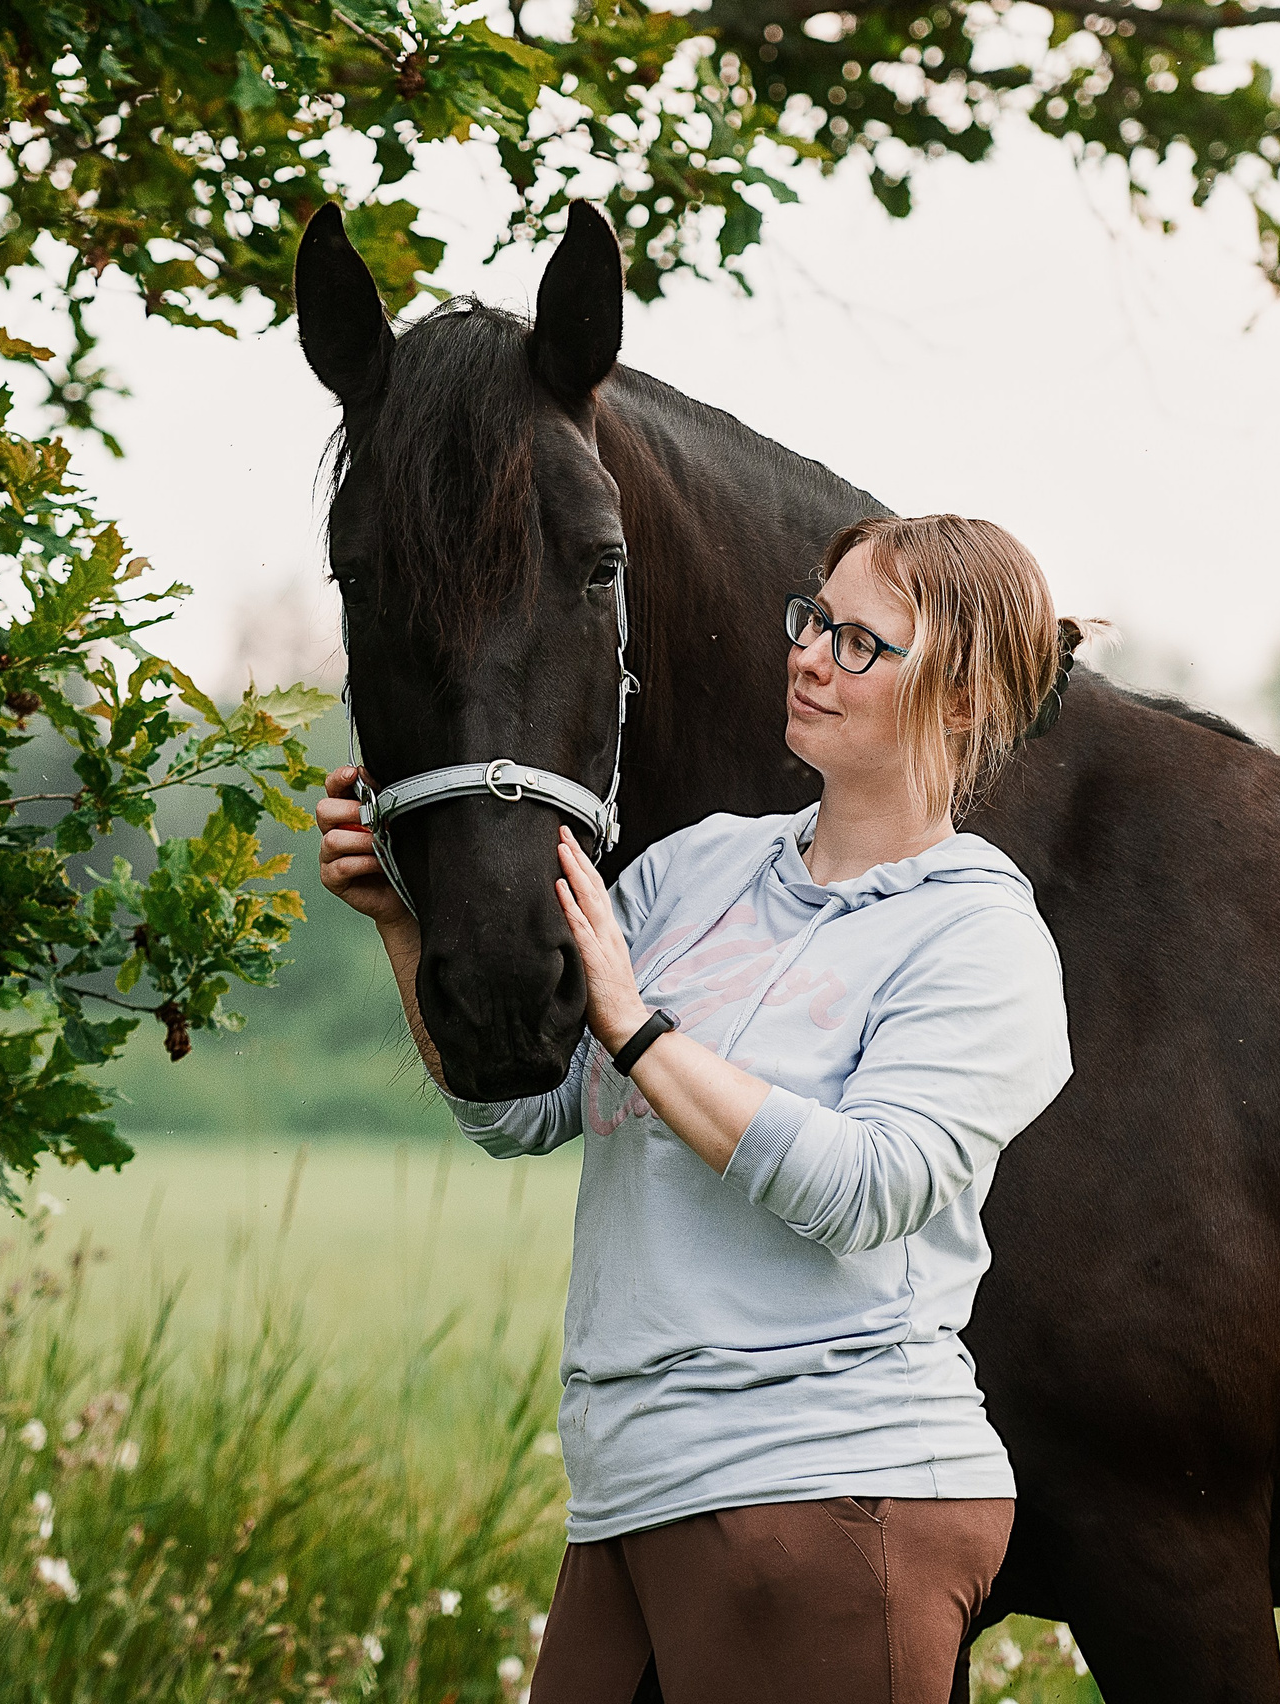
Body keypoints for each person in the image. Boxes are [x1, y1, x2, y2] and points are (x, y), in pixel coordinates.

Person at [316, 513, 1077, 1703]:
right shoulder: (696, 871)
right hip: (632, 1491)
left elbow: (866, 1190)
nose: (809, 656)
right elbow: (522, 1111)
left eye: (860, 643)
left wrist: (639, 1029)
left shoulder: (978, 937)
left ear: (964, 701)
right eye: (812, 620)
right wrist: (401, 924)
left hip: (832, 1490)